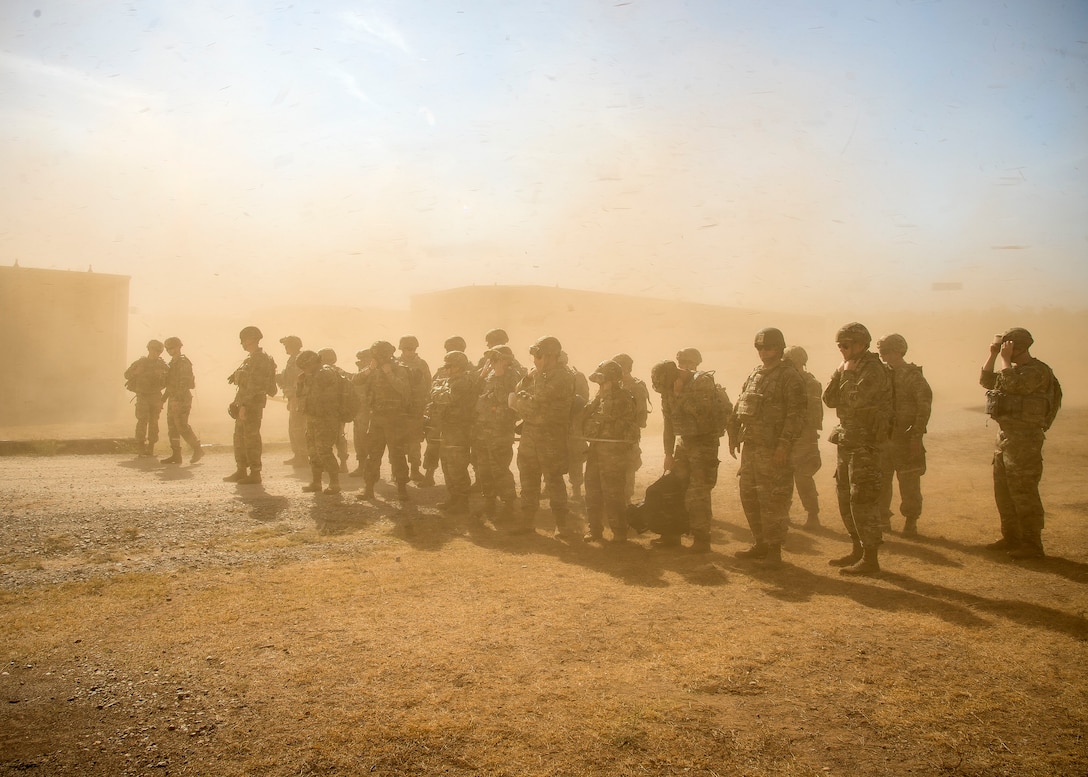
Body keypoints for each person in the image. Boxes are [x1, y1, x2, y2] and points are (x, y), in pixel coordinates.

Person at [980, 327, 1061, 559]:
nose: (1006, 350)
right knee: (1003, 491)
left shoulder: (1038, 371)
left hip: (1025, 439)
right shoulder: (1013, 370)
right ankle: (1012, 537)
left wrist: (1005, 360)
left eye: (1008, 346)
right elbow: (986, 380)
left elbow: (1015, 386)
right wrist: (994, 355)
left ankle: (1032, 544)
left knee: (1024, 491)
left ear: (1020, 347)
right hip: (1006, 438)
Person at [728, 329, 805, 566]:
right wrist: (733, 435)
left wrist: (783, 446)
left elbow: (796, 415)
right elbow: (741, 404)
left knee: (773, 501)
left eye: (768, 347)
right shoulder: (755, 374)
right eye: (760, 348)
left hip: (774, 450)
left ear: (780, 348)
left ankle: (774, 552)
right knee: (749, 497)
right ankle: (760, 544)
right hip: (752, 448)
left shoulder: (789, 376)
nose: (763, 352)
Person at [822, 322, 893, 575]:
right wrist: (841, 373)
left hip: (865, 444)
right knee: (845, 497)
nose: (842, 350)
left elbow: (856, 399)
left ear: (862, 344)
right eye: (839, 345)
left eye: (846, 345)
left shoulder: (873, 369)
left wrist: (848, 374)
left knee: (862, 499)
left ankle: (870, 559)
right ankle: (857, 549)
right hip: (848, 440)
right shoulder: (849, 367)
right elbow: (830, 400)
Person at [651, 347, 732, 553]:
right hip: (684, 443)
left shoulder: (702, 382)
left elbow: (701, 414)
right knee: (675, 488)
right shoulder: (668, 387)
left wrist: (679, 396)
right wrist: (668, 454)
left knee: (698, 492)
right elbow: (669, 423)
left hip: (704, 443)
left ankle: (702, 540)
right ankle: (672, 535)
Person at [511, 335, 577, 537]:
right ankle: (527, 522)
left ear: (550, 356)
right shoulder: (538, 375)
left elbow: (535, 401)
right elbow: (518, 392)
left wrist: (520, 402)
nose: (534, 360)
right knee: (528, 478)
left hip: (550, 436)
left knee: (553, 480)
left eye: (538, 356)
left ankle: (562, 525)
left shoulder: (563, 377)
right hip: (531, 434)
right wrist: (528, 380)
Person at [877, 333, 933, 537]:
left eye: (887, 351)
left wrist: (916, 436)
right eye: (881, 351)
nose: (883, 356)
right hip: (884, 439)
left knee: (909, 483)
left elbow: (924, 407)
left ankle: (911, 521)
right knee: (881, 481)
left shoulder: (912, 376)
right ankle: (883, 519)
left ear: (899, 351)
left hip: (906, 439)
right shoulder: (880, 375)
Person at [580, 360, 639, 543]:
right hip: (596, 451)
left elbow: (603, 417)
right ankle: (595, 529)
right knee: (592, 491)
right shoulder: (600, 398)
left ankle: (619, 532)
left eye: (604, 381)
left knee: (613, 494)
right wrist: (597, 398)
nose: (601, 385)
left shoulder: (622, 398)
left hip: (614, 454)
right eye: (599, 382)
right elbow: (584, 416)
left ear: (614, 380)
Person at [473, 344, 523, 523]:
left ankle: (509, 504)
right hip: (484, 428)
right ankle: (489, 501)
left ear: (506, 360)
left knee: (499, 468)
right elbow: (477, 395)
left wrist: (501, 374)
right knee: (484, 468)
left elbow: (507, 400)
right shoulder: (491, 375)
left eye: (496, 359)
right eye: (492, 359)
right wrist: (483, 376)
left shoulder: (512, 376)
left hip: (500, 430)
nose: (493, 362)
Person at [359, 340, 412, 501]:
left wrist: (389, 373)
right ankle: (369, 489)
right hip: (377, 417)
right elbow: (356, 380)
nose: (377, 357)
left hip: (394, 418)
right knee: (373, 454)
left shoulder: (399, 369)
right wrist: (370, 369)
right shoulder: (372, 369)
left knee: (397, 454)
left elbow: (404, 390)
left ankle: (402, 489)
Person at [224, 326, 278, 485]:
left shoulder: (260, 359)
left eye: (244, 339)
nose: (242, 343)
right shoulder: (250, 359)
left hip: (252, 404)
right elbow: (244, 384)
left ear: (253, 339)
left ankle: (255, 473)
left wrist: (245, 405)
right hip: (244, 402)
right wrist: (238, 402)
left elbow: (255, 385)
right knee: (240, 438)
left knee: (251, 438)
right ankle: (241, 470)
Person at [428, 351, 479, 515]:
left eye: (449, 366)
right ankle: (454, 497)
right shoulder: (451, 381)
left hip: (459, 429)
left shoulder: (463, 382)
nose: (446, 369)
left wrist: (436, 391)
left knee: (457, 466)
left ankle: (462, 502)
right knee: (447, 465)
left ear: (458, 367)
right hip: (448, 428)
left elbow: (445, 398)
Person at [783, 345, 823, 528]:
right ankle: (784, 514)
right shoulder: (784, 380)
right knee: (783, 476)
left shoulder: (810, 383)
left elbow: (813, 414)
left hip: (804, 437)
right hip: (787, 435)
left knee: (802, 476)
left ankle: (812, 514)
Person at [421, 336, 469, 487]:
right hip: (438, 417)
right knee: (434, 446)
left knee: (456, 456)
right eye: (449, 348)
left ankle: (463, 490)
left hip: (456, 420)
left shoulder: (467, 371)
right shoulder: (444, 369)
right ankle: (429, 475)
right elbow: (431, 389)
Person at [295, 350, 343, 494]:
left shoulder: (325, 372)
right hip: (313, 418)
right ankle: (316, 482)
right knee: (313, 451)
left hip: (326, 419)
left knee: (324, 451)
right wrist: (300, 382)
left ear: (311, 363)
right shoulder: (312, 375)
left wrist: (309, 378)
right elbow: (302, 396)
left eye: (305, 366)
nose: (304, 370)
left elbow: (321, 396)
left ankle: (335, 483)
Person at [612, 353, 651, 506]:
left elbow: (637, 414)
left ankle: (626, 503)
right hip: (612, 437)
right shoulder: (613, 385)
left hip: (628, 437)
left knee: (628, 470)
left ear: (628, 368)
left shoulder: (636, 387)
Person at [159, 337, 203, 464]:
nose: (170, 350)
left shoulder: (183, 362)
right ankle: (176, 455)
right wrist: (163, 399)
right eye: (168, 349)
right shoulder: (172, 363)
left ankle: (197, 448)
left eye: (172, 347)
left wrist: (177, 400)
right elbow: (170, 384)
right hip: (173, 398)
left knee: (181, 426)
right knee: (172, 427)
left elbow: (183, 383)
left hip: (182, 398)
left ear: (179, 347)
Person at [124, 339, 168, 457]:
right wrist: (136, 373)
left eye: (158, 352)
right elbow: (126, 375)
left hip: (155, 396)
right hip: (142, 395)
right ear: (149, 349)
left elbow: (169, 379)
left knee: (154, 422)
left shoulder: (162, 365)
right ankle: (141, 449)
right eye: (154, 350)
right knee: (142, 420)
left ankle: (151, 448)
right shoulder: (140, 363)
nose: (156, 353)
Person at [397, 335, 432, 483]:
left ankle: (415, 470)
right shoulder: (395, 364)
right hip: (398, 410)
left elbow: (429, 384)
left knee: (414, 442)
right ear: (402, 349)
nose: (410, 352)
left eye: (412, 349)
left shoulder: (422, 364)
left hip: (416, 410)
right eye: (407, 349)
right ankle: (397, 471)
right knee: (397, 442)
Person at [559, 351, 590, 501]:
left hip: (573, 423)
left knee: (575, 456)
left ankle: (576, 489)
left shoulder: (577, 376)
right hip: (554, 423)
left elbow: (584, 399)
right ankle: (550, 486)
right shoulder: (544, 376)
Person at [318, 348, 351, 474]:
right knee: (340, 437)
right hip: (339, 410)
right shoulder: (340, 371)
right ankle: (343, 463)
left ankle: (330, 465)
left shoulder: (322, 372)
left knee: (326, 438)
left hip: (327, 410)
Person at [277, 335, 306, 466]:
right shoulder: (292, 360)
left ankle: (303, 456)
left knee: (298, 427)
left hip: (298, 398)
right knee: (293, 427)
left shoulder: (299, 360)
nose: (285, 348)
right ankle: (298, 454)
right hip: (293, 398)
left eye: (286, 345)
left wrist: (292, 393)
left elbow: (299, 380)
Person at [349, 348, 372, 477]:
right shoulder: (363, 373)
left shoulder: (374, 373)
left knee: (365, 440)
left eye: (363, 359)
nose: (360, 362)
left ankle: (367, 467)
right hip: (360, 412)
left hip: (369, 412)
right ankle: (362, 466)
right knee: (359, 439)